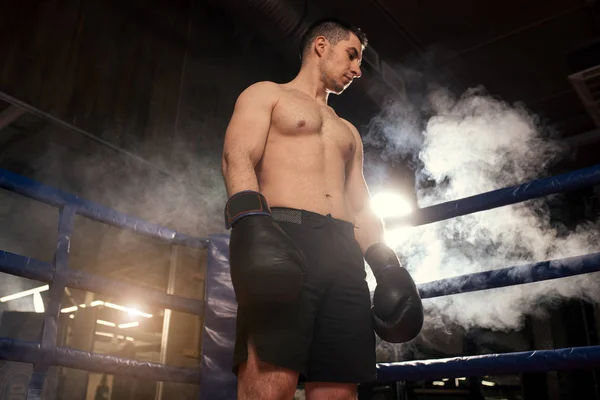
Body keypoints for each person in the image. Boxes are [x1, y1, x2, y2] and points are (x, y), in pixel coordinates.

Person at [221, 18, 424, 400]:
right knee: (270, 382)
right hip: (283, 240)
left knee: (339, 388)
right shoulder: (267, 94)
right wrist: (250, 223)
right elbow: (237, 156)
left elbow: (360, 205)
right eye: (351, 55)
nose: (357, 70)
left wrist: (386, 266)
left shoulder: (347, 130)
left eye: (360, 61)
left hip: (345, 256)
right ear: (320, 46)